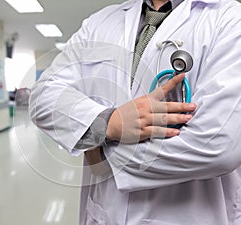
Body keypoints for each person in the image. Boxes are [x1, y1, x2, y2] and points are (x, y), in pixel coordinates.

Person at [29, 0, 241, 224]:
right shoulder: (98, 23)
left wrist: (102, 154)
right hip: (105, 212)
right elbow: (43, 97)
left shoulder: (229, 18)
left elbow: (217, 146)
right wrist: (108, 123)